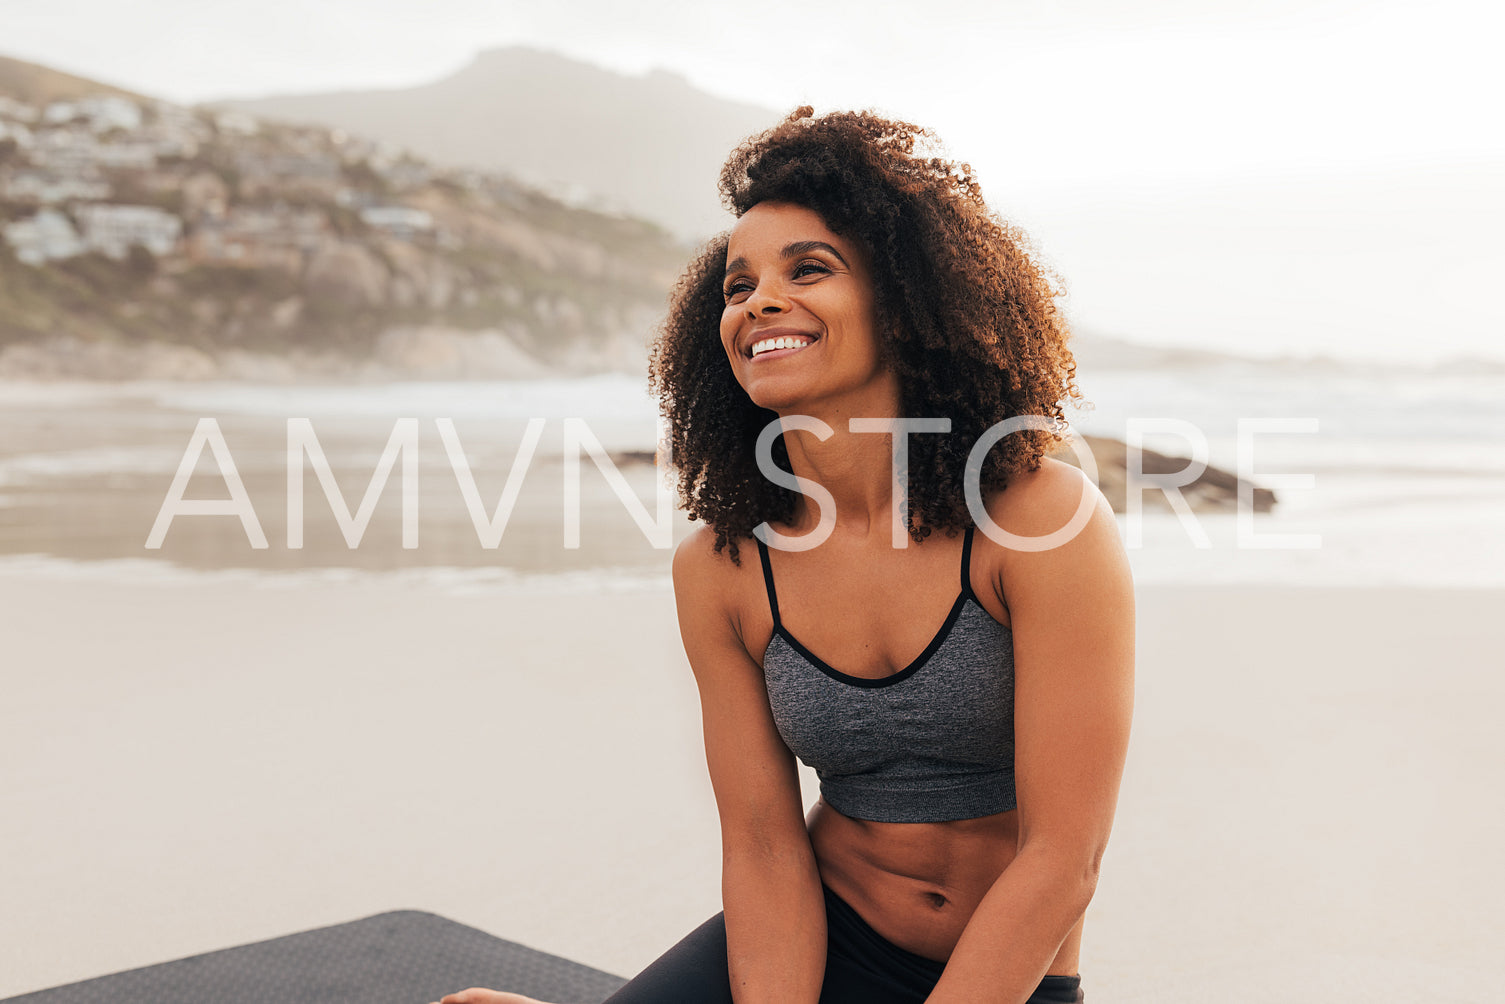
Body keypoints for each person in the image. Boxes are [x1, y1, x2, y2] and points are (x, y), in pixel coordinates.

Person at [434, 106, 1134, 1004]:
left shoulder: (1038, 519)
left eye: (810, 269)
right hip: (818, 934)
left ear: (906, 301)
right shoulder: (723, 569)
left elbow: (1062, 858)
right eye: (737, 286)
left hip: (1002, 974)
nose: (759, 300)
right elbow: (764, 849)